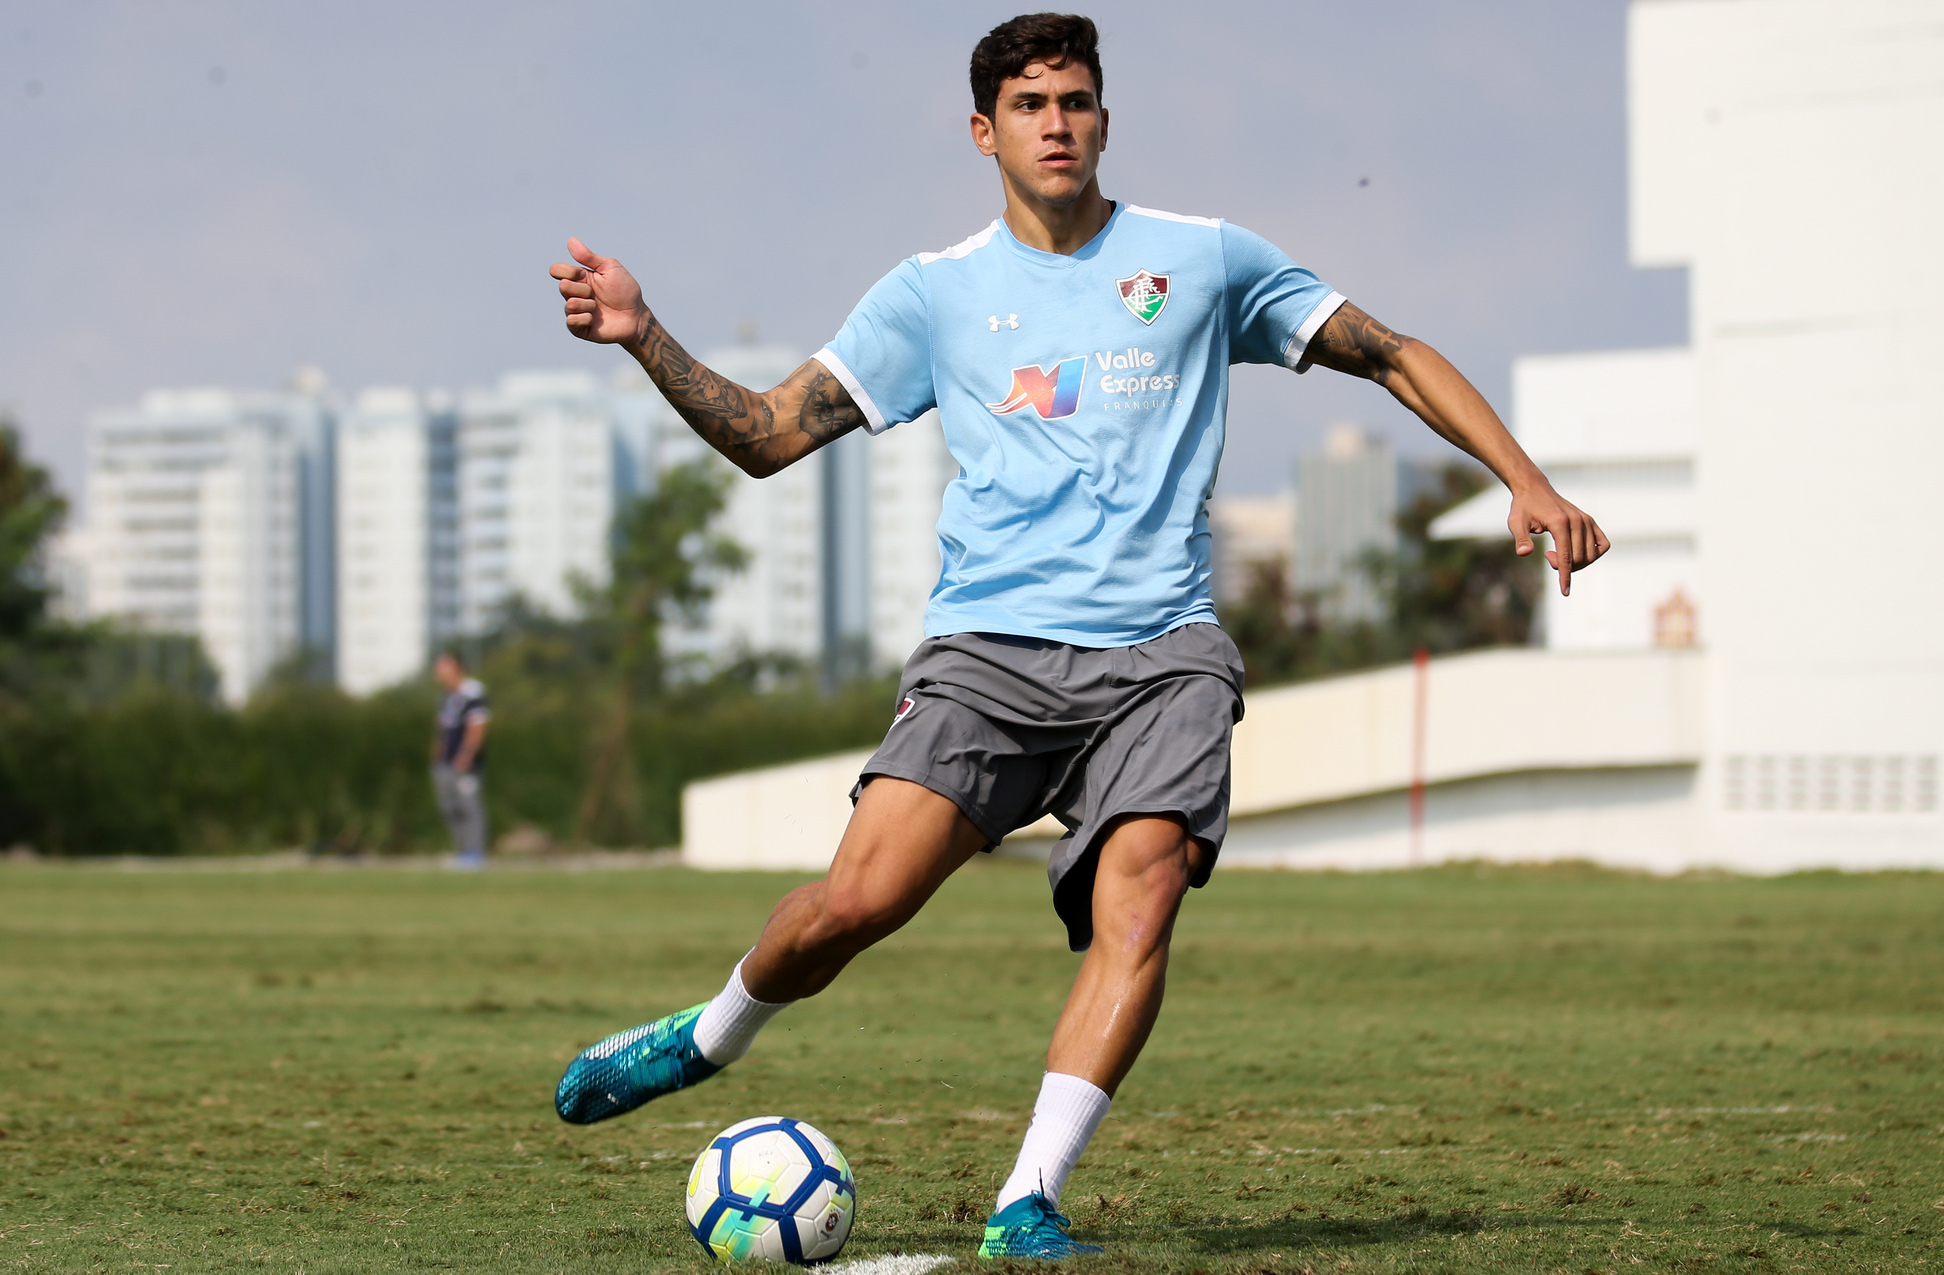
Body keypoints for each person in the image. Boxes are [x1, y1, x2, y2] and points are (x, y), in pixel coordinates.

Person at [547, 12, 1608, 1260]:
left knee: (1140, 899)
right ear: (982, 131)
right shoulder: (932, 292)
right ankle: (709, 1035)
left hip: (1164, 657)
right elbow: (767, 435)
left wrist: (1523, 481)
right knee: (855, 903)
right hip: (986, 654)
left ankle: (1026, 1202)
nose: (1055, 124)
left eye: (1075, 102)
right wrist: (644, 333)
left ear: (1103, 120)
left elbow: (1389, 354)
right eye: (1030, 105)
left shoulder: (1202, 260)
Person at [430, 651, 490, 868]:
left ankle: (476, 854)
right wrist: (437, 756)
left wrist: (467, 754)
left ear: (457, 667)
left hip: (465, 763)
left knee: (469, 807)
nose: (438, 672)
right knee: (449, 808)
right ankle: (463, 852)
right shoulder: (446, 697)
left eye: (443, 667)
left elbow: (478, 726)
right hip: (444, 763)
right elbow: (443, 729)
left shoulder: (473, 692)